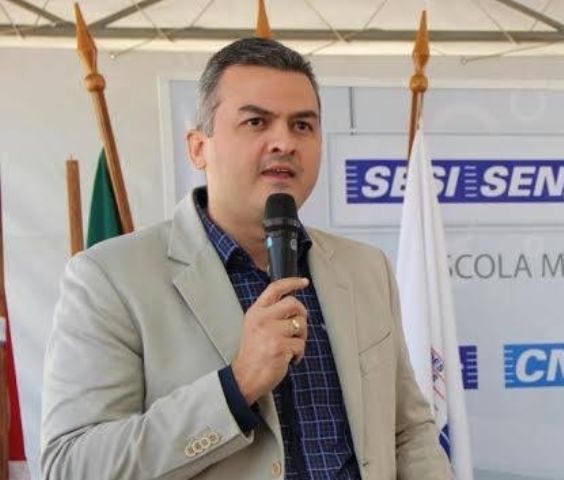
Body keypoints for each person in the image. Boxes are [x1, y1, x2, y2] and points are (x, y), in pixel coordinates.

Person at [41, 38, 451, 479]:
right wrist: (235, 387)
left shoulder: (365, 269)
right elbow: (72, 465)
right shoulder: (111, 278)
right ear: (198, 147)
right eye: (256, 122)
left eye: (302, 125)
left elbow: (407, 432)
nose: (284, 142)